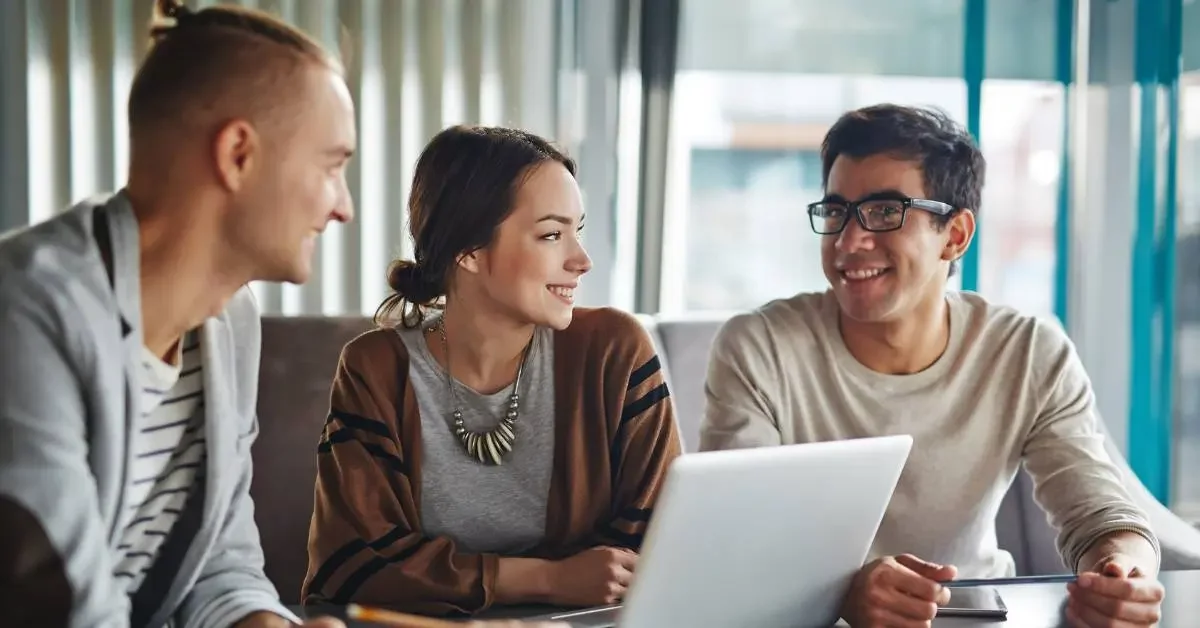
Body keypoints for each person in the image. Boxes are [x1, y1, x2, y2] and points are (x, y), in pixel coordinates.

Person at [0, 2, 561, 628]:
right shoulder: (26, 311)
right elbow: (61, 608)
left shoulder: (229, 321)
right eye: (332, 166)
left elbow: (220, 571)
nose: (343, 206)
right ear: (238, 154)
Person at [699, 104, 1165, 628]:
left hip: (975, 620)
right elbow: (733, 539)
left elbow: (1101, 515)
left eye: (883, 212)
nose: (850, 242)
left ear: (956, 235)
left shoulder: (1028, 352)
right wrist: (841, 594)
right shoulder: (760, 348)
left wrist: (1123, 574)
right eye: (836, 212)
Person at [302, 125, 684, 617]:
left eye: (577, 231)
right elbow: (350, 566)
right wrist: (551, 578)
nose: (581, 260)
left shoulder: (615, 352)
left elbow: (656, 547)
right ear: (469, 251)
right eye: (551, 234)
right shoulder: (375, 370)